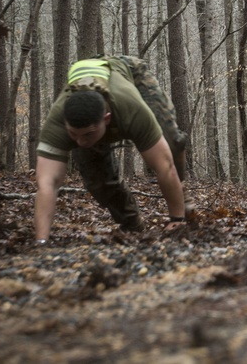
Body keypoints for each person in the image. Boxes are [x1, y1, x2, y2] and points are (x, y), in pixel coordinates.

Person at [34, 55, 191, 243]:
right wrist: (41, 241)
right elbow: (47, 183)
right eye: (74, 135)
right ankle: (132, 224)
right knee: (98, 182)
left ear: (107, 119)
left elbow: (164, 166)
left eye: (88, 134)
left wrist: (177, 220)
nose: (81, 142)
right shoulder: (57, 121)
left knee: (170, 142)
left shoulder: (131, 109)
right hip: (93, 104)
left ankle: (181, 201)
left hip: (129, 72)